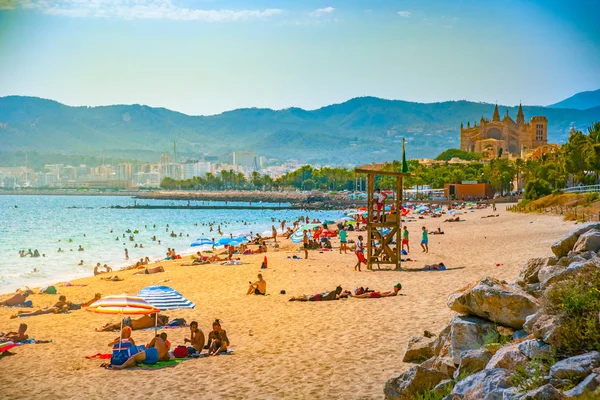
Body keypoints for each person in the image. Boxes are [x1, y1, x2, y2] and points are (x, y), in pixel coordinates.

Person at [97, 314, 169, 332]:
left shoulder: (149, 318)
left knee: (116, 325)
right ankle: (103, 329)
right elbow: (161, 323)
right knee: (115, 325)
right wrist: (161, 319)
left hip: (131, 323)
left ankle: (105, 327)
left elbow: (158, 318)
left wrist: (161, 318)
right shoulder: (153, 322)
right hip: (131, 324)